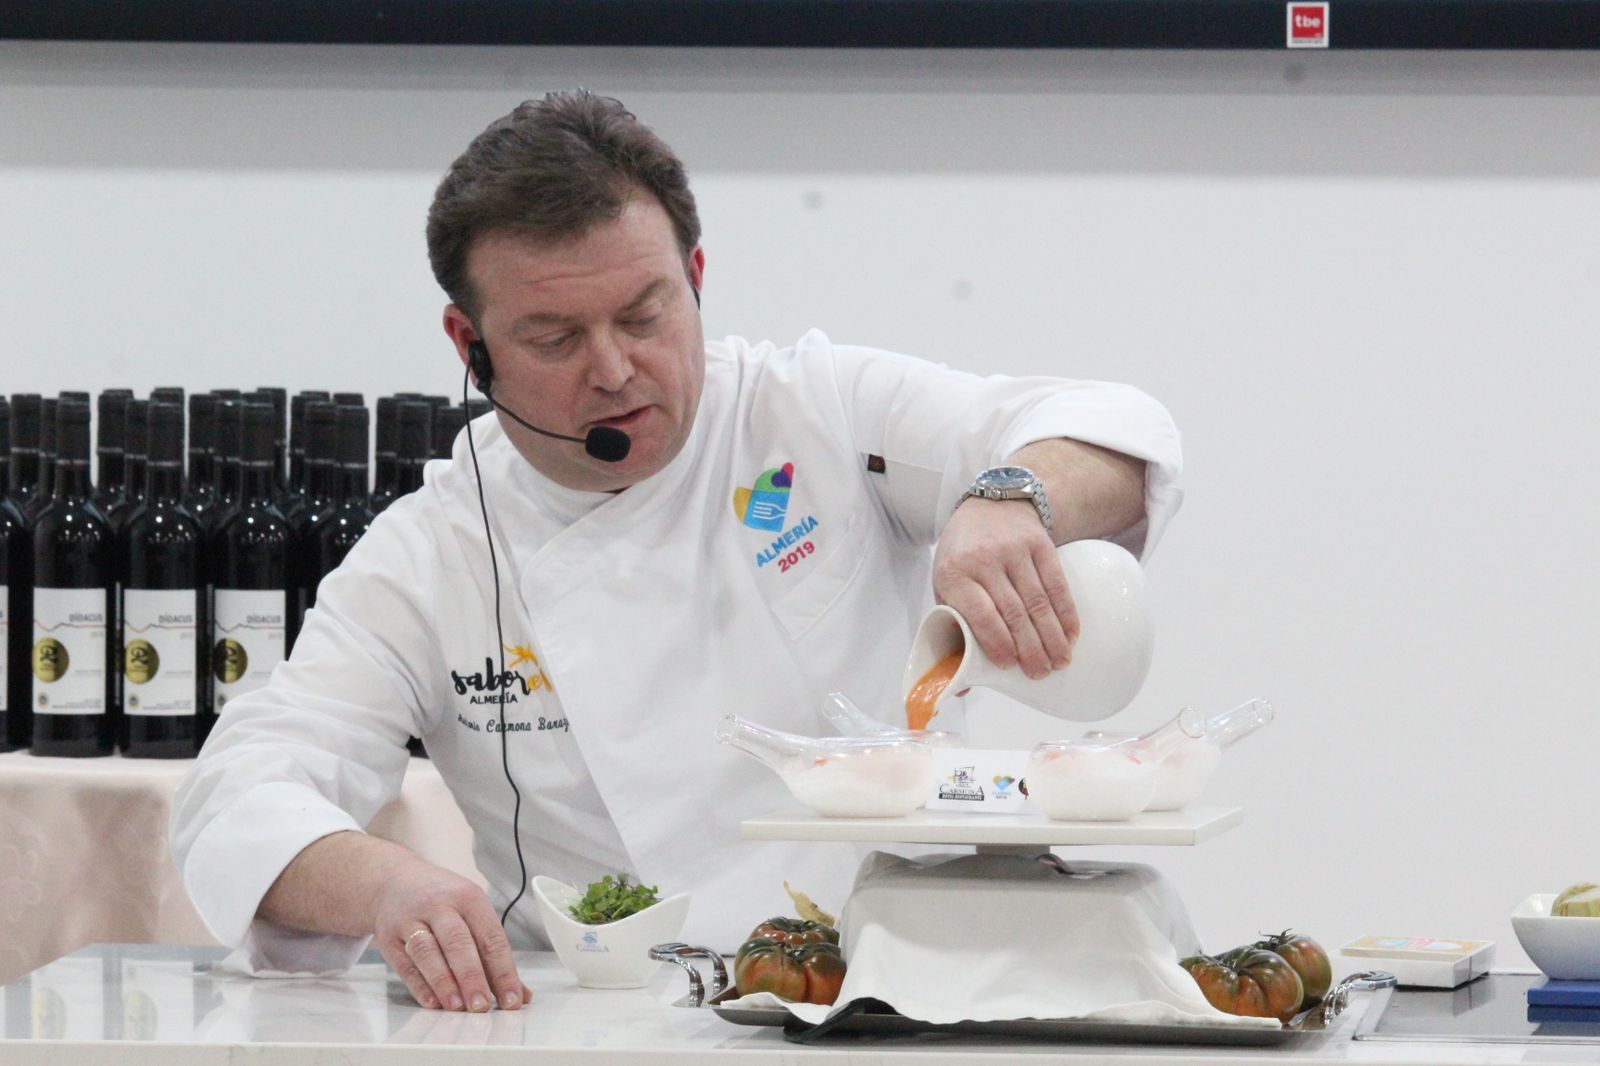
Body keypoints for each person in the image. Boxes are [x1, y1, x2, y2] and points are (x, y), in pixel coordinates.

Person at [171, 91, 1182, 1015]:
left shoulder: (814, 411)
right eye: (554, 338)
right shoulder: (435, 551)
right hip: (605, 1017)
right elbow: (240, 793)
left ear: (695, 279)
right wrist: (388, 882)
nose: (615, 370)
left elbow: (1110, 431)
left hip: (904, 991)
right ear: (469, 346)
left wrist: (1009, 497)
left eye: (644, 315)